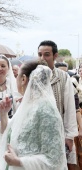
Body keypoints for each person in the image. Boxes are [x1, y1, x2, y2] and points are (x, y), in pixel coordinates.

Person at [0, 61, 67, 170]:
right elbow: (9, 134)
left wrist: (18, 161)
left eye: (17, 76)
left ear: (23, 79)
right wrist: (3, 113)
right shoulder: (28, 104)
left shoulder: (46, 109)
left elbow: (55, 159)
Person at [38, 40, 78, 170]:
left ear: (55, 56)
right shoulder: (32, 76)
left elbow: (70, 108)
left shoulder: (63, 77)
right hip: (36, 133)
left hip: (57, 134)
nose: (42, 58)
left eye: (47, 54)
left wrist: (70, 136)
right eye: (40, 54)